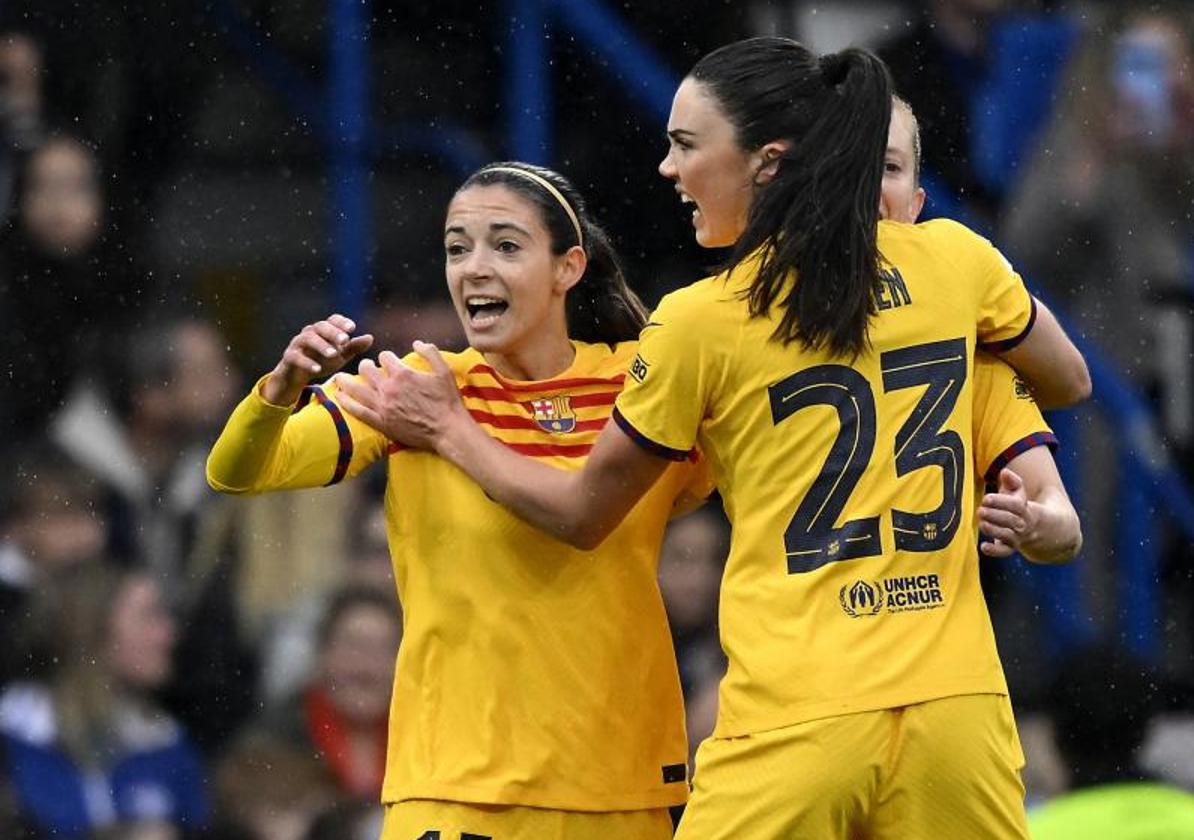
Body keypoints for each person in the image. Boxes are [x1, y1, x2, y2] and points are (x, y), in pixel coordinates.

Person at [341, 37, 1091, 839]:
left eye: (686, 145)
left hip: (801, 715)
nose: (669, 168)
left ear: (766, 163)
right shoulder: (957, 260)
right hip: (957, 714)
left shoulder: (704, 319)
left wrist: (452, 428)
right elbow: (1069, 378)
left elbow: (583, 513)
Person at [207, 162, 715, 839]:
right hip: (457, 787)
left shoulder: (640, 384)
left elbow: (670, 501)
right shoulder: (413, 386)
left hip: (618, 782)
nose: (473, 267)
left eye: (505, 245)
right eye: (457, 247)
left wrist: (454, 433)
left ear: (568, 268)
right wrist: (279, 389)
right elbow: (241, 470)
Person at [882, 96, 1082, 565]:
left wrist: (1033, 521)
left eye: (889, 168)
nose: (868, 186)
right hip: (796, 637)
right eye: (849, 164)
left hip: (946, 639)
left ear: (916, 205)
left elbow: (1065, 526)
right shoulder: (729, 319)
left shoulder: (963, 351)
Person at [0, 564, 207, 838]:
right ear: (88, 628)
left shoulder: (167, 745)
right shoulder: (12, 740)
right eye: (149, 616)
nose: (168, 634)